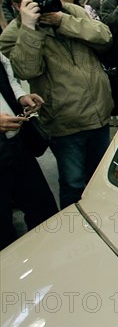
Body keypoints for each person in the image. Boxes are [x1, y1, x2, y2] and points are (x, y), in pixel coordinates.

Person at [0, 0, 113, 209]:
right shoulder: (13, 34)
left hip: (99, 113)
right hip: (64, 123)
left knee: (103, 178)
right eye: (34, 1)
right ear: (17, 7)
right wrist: (30, 29)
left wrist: (63, 21)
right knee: (74, 183)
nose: (43, 3)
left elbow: (105, 38)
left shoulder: (70, 11)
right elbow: (27, 70)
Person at [0, 53, 58, 249]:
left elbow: (7, 73)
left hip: (15, 144)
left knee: (44, 210)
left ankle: (46, 260)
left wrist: (20, 96)